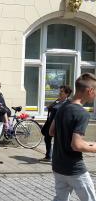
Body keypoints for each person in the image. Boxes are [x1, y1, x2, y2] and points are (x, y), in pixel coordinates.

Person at [49, 73, 96, 201]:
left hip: (58, 165)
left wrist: (88, 144)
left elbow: (52, 131)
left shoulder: (62, 107)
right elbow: (76, 145)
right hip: (74, 169)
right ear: (90, 90)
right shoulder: (82, 114)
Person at [40, 85, 72, 162]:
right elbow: (50, 107)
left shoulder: (68, 103)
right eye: (59, 91)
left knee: (59, 142)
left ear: (67, 94)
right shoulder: (58, 100)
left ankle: (61, 157)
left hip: (59, 125)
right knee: (47, 138)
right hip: (50, 123)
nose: (60, 93)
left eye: (62, 92)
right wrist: (51, 105)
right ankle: (48, 156)